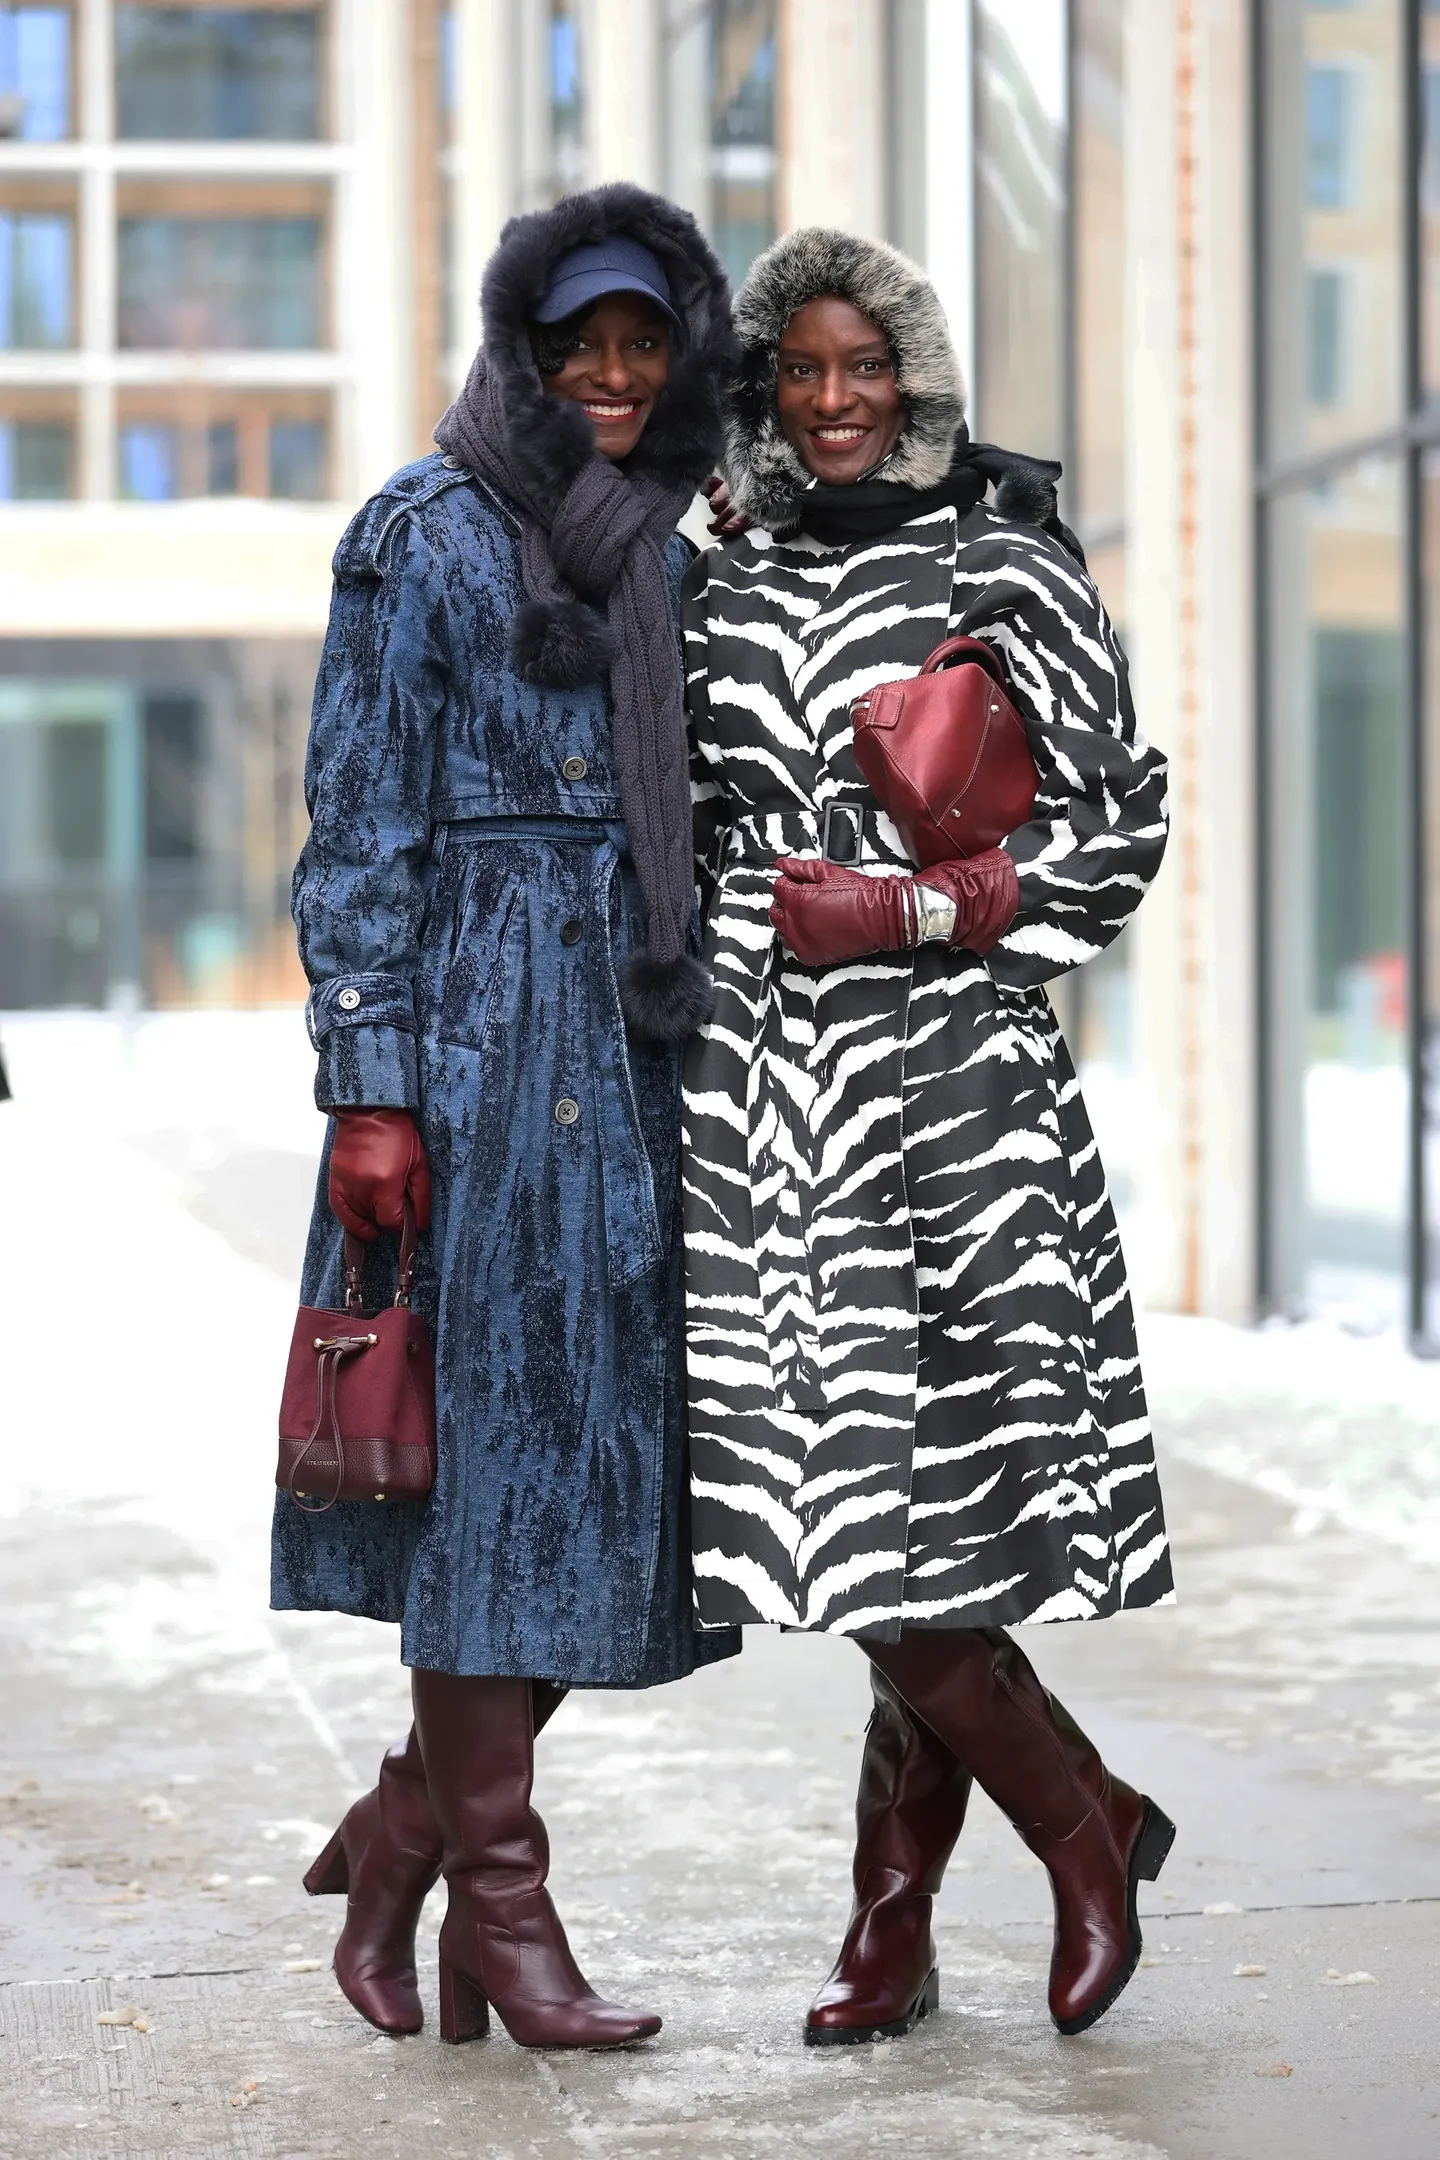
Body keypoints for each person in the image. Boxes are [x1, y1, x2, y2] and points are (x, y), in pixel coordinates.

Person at [682, 227, 1176, 2047]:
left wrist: (911, 916)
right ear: (760, 382)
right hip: (762, 1104)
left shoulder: (1004, 554)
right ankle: (1076, 1829)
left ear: (914, 377)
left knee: (928, 1524)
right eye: (800, 372)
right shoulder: (708, 578)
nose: (831, 404)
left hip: (958, 1098)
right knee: (854, 1519)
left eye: (863, 370)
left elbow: (1121, 830)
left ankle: (949, 1900)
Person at [274, 183, 740, 2051]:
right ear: (523, 357)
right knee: (485, 1476)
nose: (614, 374)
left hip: (633, 1051)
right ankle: (507, 1908)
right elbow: (356, 817)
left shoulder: (672, 551)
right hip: (470, 1054)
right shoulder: (422, 530)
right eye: (582, 346)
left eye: (644, 342)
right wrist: (369, 1085)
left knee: (593, 1486)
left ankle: (405, 1853)